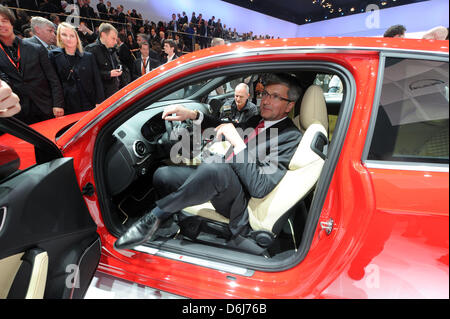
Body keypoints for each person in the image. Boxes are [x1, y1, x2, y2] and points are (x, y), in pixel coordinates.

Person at [114, 74, 303, 250]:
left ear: (289, 106)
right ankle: (171, 222)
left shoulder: (290, 137)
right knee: (163, 175)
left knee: (214, 167)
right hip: (220, 174)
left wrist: (237, 143)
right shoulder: (257, 120)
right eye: (265, 94)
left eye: (276, 97)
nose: (266, 101)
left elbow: (260, 187)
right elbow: (225, 125)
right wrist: (193, 115)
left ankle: (155, 217)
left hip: (239, 200)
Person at [0, 5, 64, 124]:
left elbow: (53, 79)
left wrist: (58, 104)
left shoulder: (36, 48)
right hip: (19, 114)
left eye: (4, 21)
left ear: (11, 23)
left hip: (45, 107)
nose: (1, 25)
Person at [48, 23, 104, 115]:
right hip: (68, 104)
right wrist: (58, 104)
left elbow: (97, 80)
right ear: (59, 37)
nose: (68, 39)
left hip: (89, 101)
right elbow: (54, 82)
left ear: (76, 37)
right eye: (64, 35)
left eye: (72, 35)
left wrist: (100, 101)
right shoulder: (53, 56)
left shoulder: (88, 56)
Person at [85, 23, 122, 99]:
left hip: (113, 92)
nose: (115, 42)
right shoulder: (91, 50)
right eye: (113, 38)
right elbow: (89, 74)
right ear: (103, 35)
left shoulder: (112, 50)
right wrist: (109, 74)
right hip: (100, 97)